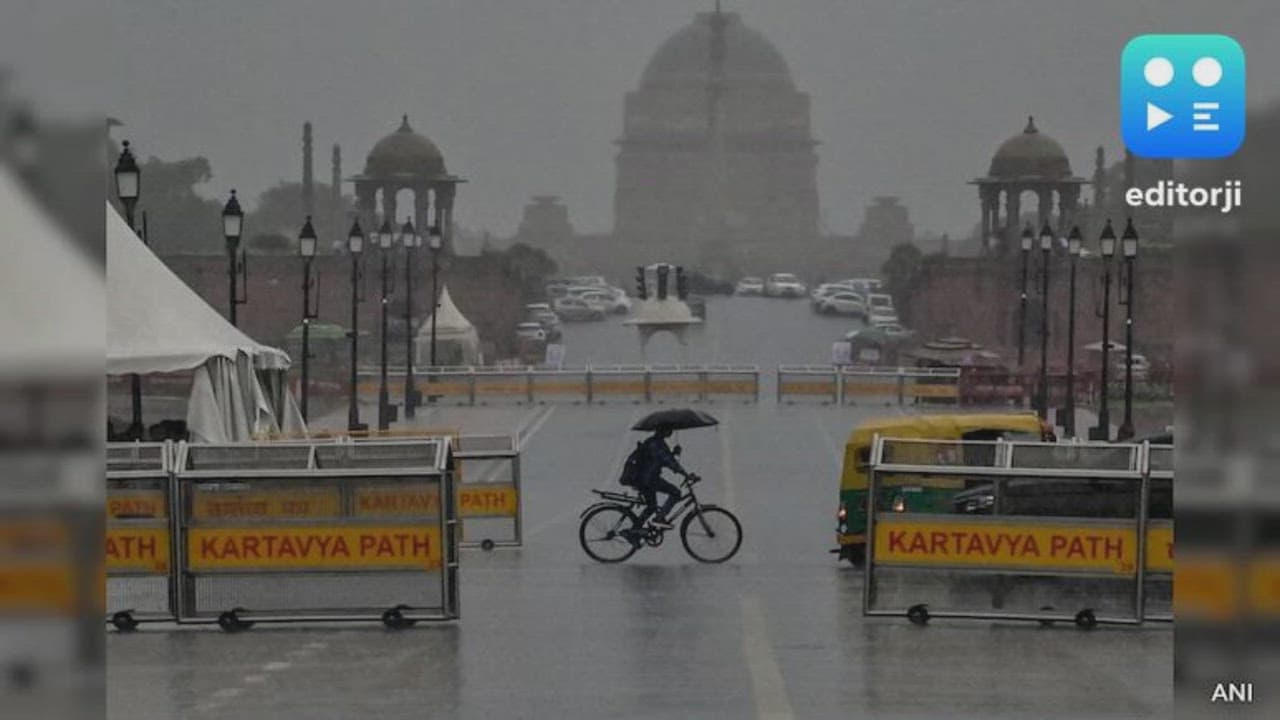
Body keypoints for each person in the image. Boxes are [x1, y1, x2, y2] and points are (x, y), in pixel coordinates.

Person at [634, 427, 688, 529]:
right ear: (662, 430)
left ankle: (635, 529)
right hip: (649, 479)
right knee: (676, 492)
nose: (671, 431)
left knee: (651, 506)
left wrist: (674, 453)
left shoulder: (655, 441)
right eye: (668, 428)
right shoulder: (656, 444)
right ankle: (659, 518)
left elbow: (661, 459)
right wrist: (685, 474)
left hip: (644, 478)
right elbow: (667, 461)